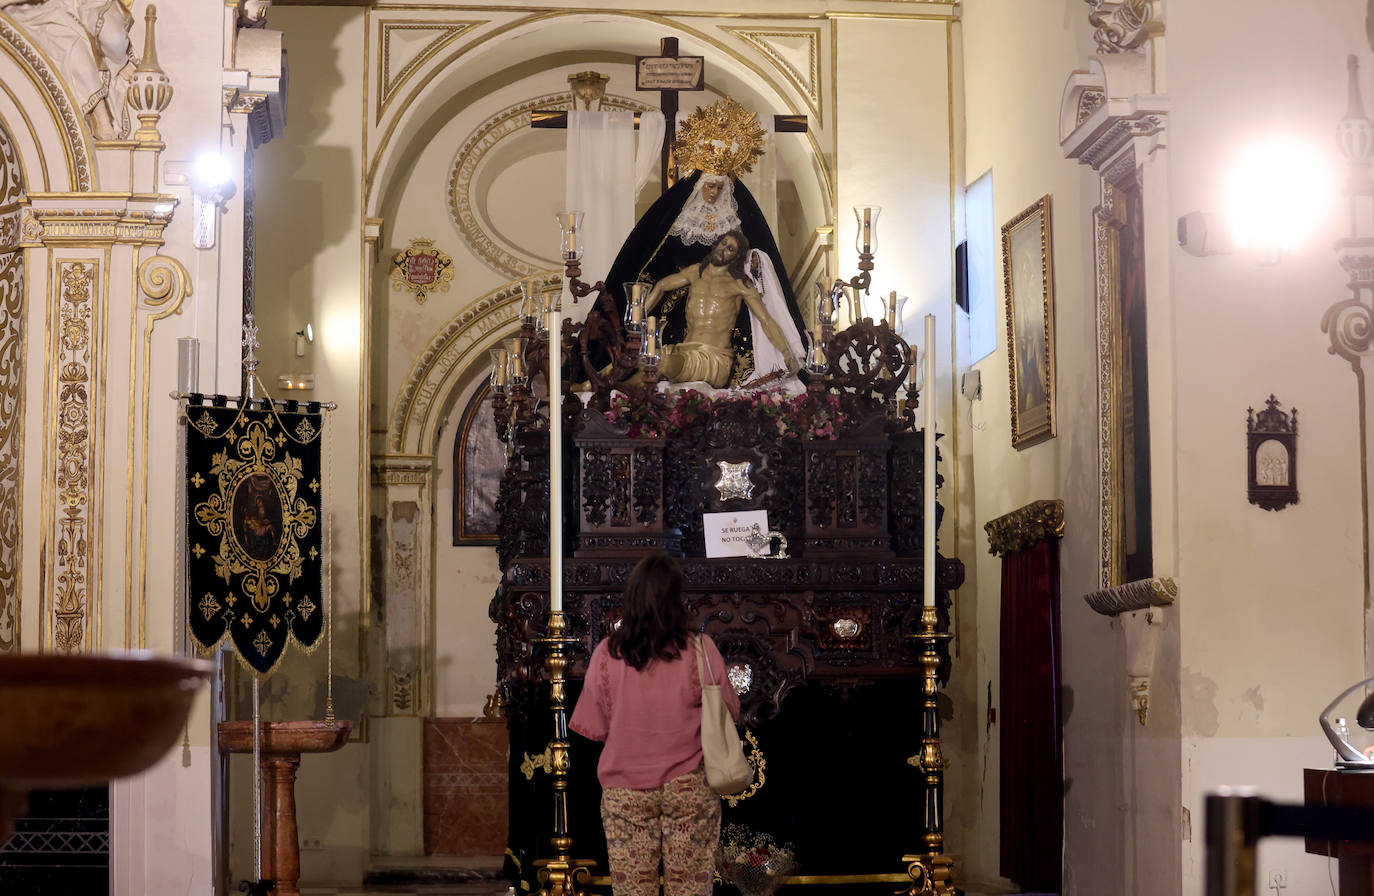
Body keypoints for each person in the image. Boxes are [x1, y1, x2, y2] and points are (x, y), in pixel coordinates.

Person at [570, 551, 740, 896]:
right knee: (691, 890)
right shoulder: (701, 649)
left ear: (631, 599)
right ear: (678, 600)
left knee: (633, 891)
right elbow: (728, 712)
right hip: (689, 788)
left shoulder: (607, 653)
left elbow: (595, 727)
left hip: (626, 791)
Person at [643, 229, 799, 388]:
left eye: (730, 249)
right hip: (683, 351)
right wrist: (639, 316)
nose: (723, 249)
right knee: (646, 364)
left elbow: (766, 321)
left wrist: (786, 353)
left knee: (662, 363)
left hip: (715, 359)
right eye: (723, 243)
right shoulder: (695, 272)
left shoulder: (739, 284)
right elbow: (662, 285)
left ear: (736, 257)